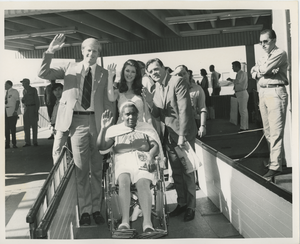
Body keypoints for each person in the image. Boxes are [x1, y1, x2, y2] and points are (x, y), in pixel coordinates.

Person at [38, 34, 116, 226]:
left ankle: (97, 209)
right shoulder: (69, 68)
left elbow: (109, 102)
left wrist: (109, 129)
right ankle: (85, 210)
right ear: (82, 51)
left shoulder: (105, 74)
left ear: (99, 53)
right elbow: (43, 74)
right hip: (77, 122)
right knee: (81, 169)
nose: (91, 53)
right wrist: (50, 52)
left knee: (97, 169)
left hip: (98, 124)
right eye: (88, 50)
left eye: (95, 51)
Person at [142, 58, 197, 222]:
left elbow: (184, 109)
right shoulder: (156, 87)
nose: (154, 73)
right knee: (176, 172)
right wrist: (151, 103)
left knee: (188, 171)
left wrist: (182, 135)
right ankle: (181, 203)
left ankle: (191, 207)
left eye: (156, 69)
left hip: (182, 135)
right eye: (151, 72)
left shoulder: (177, 81)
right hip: (169, 136)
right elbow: (158, 114)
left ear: (164, 68)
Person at [97, 102, 164, 233]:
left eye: (133, 113)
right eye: (127, 114)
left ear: (138, 115)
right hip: (123, 160)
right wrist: (103, 128)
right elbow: (101, 146)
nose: (131, 116)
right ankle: (125, 222)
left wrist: (150, 155)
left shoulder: (145, 128)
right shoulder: (116, 130)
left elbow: (155, 145)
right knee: (123, 181)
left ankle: (147, 223)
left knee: (143, 183)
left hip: (142, 158)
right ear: (122, 116)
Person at [250, 29, 289, 179]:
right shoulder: (264, 56)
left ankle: (275, 166)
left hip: (275, 92)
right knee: (267, 130)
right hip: (264, 92)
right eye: (261, 42)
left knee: (275, 131)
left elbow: (263, 69)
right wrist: (261, 71)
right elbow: (253, 72)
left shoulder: (280, 53)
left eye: (266, 41)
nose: (263, 45)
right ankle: (277, 161)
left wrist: (261, 70)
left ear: (274, 40)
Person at [107, 60, 152, 124]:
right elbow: (111, 98)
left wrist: (151, 130)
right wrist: (110, 77)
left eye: (133, 72)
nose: (129, 74)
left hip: (139, 128)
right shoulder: (119, 91)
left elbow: (147, 115)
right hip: (122, 129)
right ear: (123, 72)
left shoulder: (142, 91)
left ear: (136, 74)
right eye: (127, 71)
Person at [50, 83, 69, 164]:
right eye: (55, 90)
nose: (57, 92)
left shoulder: (65, 101)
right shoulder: (57, 102)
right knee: (63, 151)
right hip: (57, 128)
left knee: (56, 151)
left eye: (59, 89)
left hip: (63, 128)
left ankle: (57, 173)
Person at [227, 61, 249, 131]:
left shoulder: (241, 73)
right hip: (240, 93)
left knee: (243, 111)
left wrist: (231, 80)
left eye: (233, 67)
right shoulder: (240, 73)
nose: (232, 68)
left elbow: (238, 81)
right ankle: (245, 126)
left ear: (237, 66)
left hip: (242, 93)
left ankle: (243, 127)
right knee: (243, 110)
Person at [20, 78, 40, 147]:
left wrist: (36, 110)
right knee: (26, 126)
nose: (22, 84)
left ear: (27, 83)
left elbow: (37, 100)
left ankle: (35, 142)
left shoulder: (33, 90)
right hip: (26, 108)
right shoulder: (23, 91)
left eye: (23, 83)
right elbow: (24, 100)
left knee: (34, 126)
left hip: (32, 108)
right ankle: (27, 142)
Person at [5, 80, 21, 149]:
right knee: (6, 129)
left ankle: (14, 144)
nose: (4, 86)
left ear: (9, 85)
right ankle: (7, 144)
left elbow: (17, 102)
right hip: (5, 112)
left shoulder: (14, 91)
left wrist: (15, 111)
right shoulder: (4, 92)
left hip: (12, 112)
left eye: (6, 85)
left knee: (13, 129)